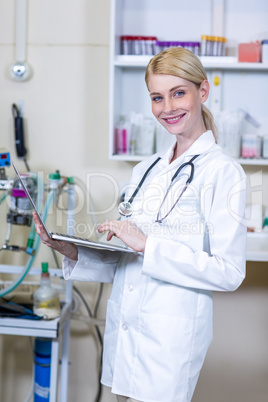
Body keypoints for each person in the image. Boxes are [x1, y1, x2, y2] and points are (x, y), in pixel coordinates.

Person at [33, 47, 247, 402]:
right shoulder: (146, 169)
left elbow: (229, 272)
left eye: (179, 93)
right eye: (157, 97)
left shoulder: (223, 172)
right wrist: (70, 249)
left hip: (167, 344)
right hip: (127, 334)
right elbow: (128, 259)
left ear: (203, 91)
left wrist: (149, 245)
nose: (168, 108)